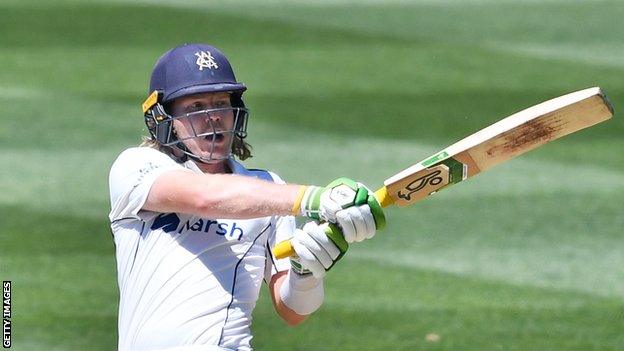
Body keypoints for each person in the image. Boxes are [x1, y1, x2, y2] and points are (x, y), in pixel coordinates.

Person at [108, 43, 385, 351]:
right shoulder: (137, 167)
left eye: (220, 103)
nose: (212, 117)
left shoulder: (268, 188)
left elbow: (292, 311)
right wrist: (316, 198)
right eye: (196, 107)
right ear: (163, 119)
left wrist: (306, 272)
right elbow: (206, 196)